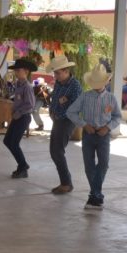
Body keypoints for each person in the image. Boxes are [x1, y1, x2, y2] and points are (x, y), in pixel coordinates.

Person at [67, 64, 120, 210]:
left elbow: (117, 116)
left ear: (106, 82)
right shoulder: (84, 96)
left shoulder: (111, 98)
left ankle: (95, 195)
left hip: (104, 135)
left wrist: (107, 127)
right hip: (88, 134)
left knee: (104, 163)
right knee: (89, 165)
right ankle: (96, 196)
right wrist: (84, 125)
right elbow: (71, 112)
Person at [46, 54, 82, 194]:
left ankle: (66, 183)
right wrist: (52, 111)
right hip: (57, 120)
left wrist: (59, 114)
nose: (55, 76)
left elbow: (76, 106)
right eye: (55, 73)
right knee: (54, 151)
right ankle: (65, 182)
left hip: (67, 121)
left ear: (66, 71)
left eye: (57, 73)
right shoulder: (59, 83)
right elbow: (55, 99)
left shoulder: (75, 85)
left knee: (57, 151)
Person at [3, 58, 37, 178]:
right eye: (15, 70)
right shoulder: (18, 84)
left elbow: (30, 105)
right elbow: (18, 99)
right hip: (17, 117)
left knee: (14, 143)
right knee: (7, 141)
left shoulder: (27, 86)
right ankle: (22, 165)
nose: (16, 72)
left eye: (18, 70)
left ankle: (23, 167)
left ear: (26, 71)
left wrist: (18, 112)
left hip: (23, 117)